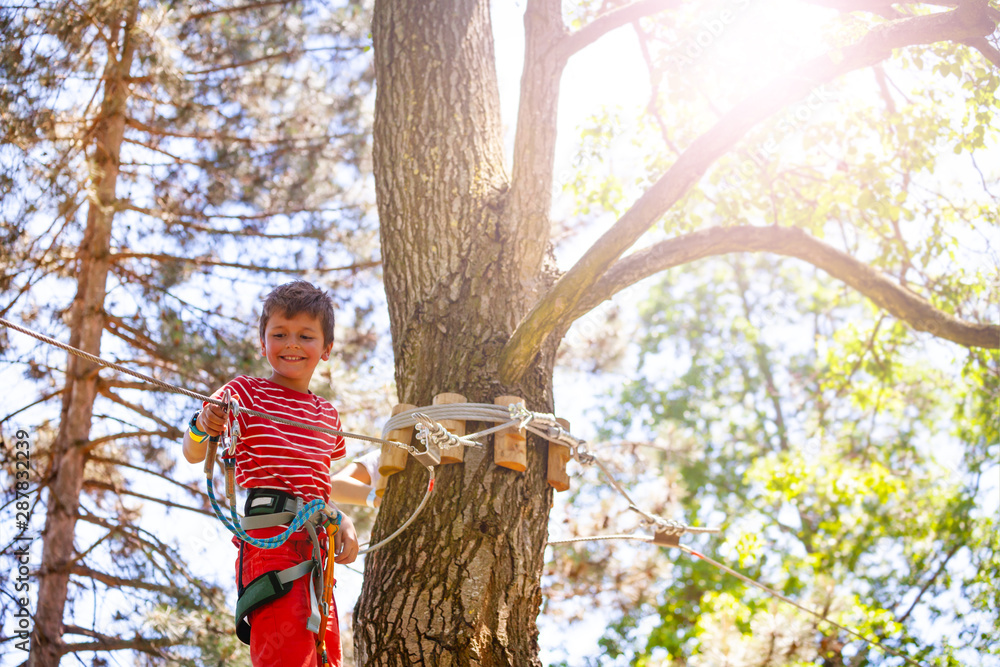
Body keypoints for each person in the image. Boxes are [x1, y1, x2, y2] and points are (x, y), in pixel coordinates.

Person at [183, 281, 359, 667]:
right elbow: (194, 452)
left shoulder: (326, 415)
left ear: (325, 349)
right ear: (263, 343)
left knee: (325, 658)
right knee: (287, 656)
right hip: (272, 541)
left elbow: (320, 482)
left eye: (305, 336)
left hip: (317, 550)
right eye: (279, 334)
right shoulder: (244, 394)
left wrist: (342, 515)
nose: (292, 344)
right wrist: (204, 424)